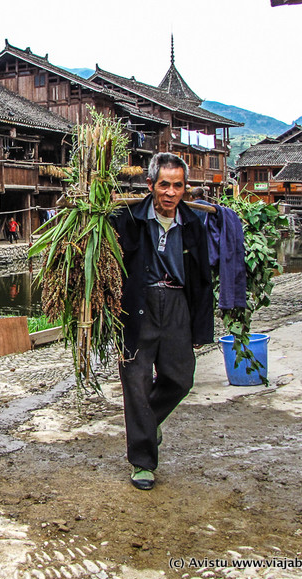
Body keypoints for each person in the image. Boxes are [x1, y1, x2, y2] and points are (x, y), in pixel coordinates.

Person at [109, 153, 213, 490]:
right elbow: (107, 261)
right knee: (136, 380)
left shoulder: (193, 224)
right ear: (151, 185)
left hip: (178, 304)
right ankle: (142, 462)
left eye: (177, 186)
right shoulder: (128, 218)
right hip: (139, 305)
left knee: (180, 379)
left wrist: (200, 327)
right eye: (164, 185)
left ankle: (148, 421)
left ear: (185, 189)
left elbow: (201, 278)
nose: (170, 193)